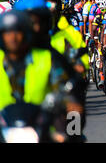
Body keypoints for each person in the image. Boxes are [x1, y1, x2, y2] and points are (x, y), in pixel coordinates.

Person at [0, 10, 84, 143]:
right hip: (4, 128)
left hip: (42, 126)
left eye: (17, 32)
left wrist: (69, 103)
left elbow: (64, 87)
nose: (13, 38)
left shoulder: (45, 58)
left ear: (26, 34)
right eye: (8, 33)